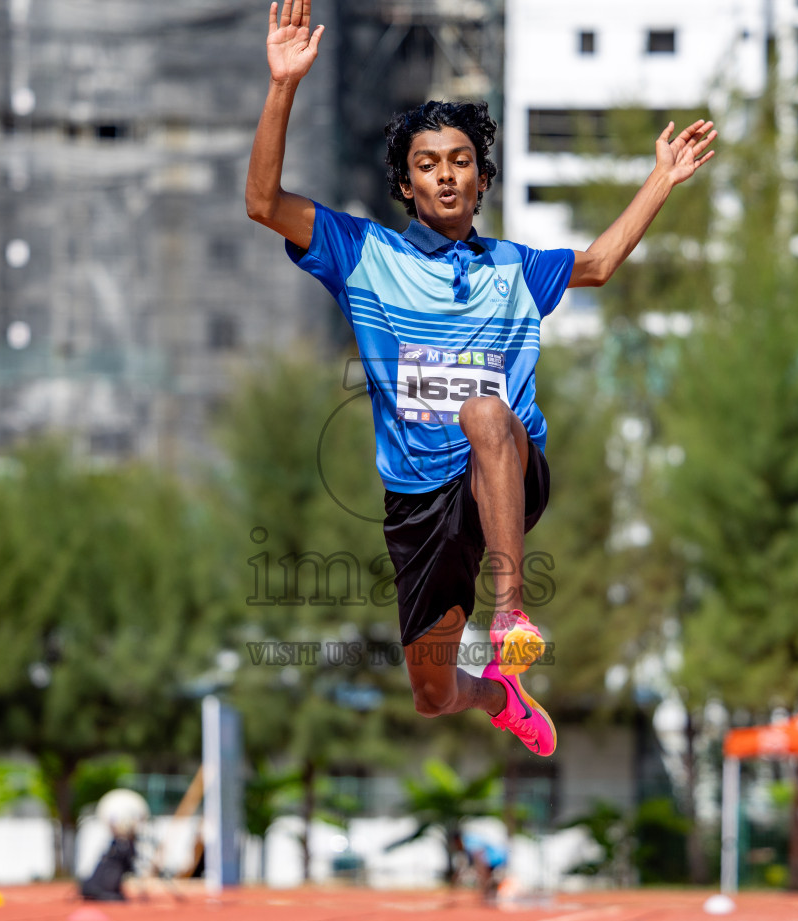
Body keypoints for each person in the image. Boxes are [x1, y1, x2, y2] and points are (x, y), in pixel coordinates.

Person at [246, 0, 716, 755]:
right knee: (433, 696)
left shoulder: (516, 270)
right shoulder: (363, 252)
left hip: (504, 472)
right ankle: (497, 691)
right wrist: (282, 86)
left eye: (460, 161)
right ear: (405, 185)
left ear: (482, 177)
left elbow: (595, 264)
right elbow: (263, 204)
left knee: (487, 413)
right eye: (428, 165)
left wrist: (661, 178)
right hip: (417, 501)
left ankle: (511, 619)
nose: (445, 176)